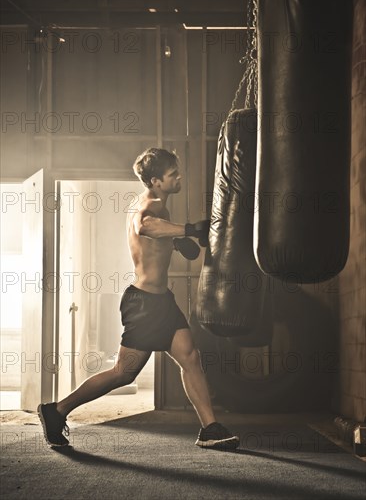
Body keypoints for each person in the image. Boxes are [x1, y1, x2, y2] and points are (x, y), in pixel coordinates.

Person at [38, 147, 239, 450]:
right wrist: (187, 229)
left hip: (162, 302)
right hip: (144, 304)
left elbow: (152, 242)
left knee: (189, 357)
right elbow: (144, 226)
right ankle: (56, 411)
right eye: (173, 174)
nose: (179, 177)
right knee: (124, 373)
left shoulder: (160, 206)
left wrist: (177, 241)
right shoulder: (150, 203)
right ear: (156, 181)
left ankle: (210, 428)